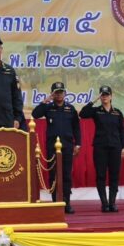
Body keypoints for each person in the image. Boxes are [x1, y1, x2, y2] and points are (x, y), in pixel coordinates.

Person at [32, 82, 81, 214]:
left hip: (67, 145)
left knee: (66, 175)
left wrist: (78, 144)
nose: (59, 95)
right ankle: (55, 203)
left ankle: (67, 203)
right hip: (52, 146)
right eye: (56, 92)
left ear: (65, 93)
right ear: (53, 94)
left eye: (61, 92)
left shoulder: (70, 109)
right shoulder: (48, 108)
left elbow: (76, 128)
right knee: (53, 174)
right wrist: (46, 100)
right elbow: (35, 114)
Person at [79, 85, 124, 213]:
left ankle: (112, 203)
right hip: (100, 147)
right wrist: (94, 100)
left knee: (114, 176)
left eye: (106, 95)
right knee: (101, 175)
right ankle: (104, 203)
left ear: (111, 96)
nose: (104, 97)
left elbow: (122, 131)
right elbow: (83, 114)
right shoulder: (96, 111)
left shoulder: (117, 112)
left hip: (115, 147)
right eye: (102, 95)